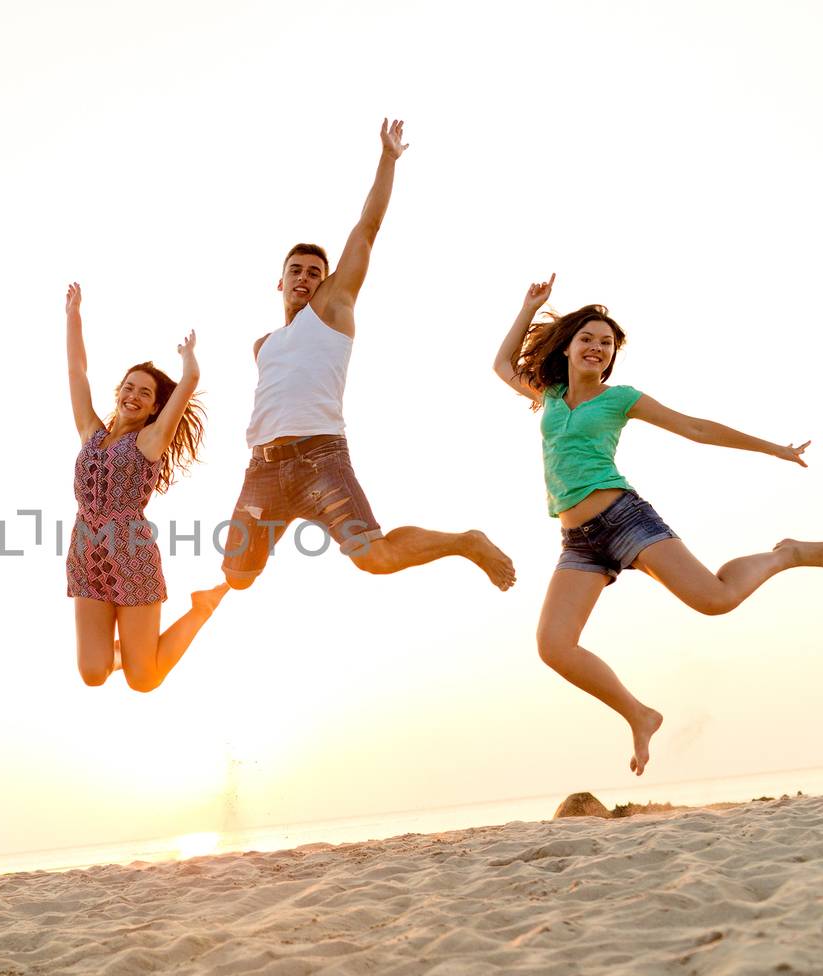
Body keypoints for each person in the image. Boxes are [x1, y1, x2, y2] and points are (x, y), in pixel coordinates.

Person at [492, 274, 823, 775]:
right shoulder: (549, 396)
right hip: (578, 541)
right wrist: (529, 307)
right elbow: (502, 365)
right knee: (553, 647)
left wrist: (776, 448)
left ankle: (785, 553)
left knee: (715, 600)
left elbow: (697, 429)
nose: (597, 347)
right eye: (588, 339)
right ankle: (639, 715)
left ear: (612, 356)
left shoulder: (622, 399)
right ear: (569, 347)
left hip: (624, 519)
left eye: (607, 343)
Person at [223, 118, 516, 592]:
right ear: (280, 281)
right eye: (294, 271)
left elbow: (368, 227)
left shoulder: (333, 309)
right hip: (264, 470)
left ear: (326, 282)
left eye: (314, 273)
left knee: (374, 559)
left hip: (321, 459)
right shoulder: (263, 346)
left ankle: (466, 541)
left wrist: (387, 158)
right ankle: (281, 520)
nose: (303, 278)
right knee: (237, 578)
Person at [64, 282, 227, 691]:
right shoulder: (91, 433)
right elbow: (77, 372)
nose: (134, 395)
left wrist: (189, 365)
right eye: (129, 387)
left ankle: (201, 609)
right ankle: (130, 645)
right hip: (86, 549)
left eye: (145, 393)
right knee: (92, 673)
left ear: (155, 406)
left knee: (143, 679)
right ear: (118, 393)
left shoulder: (150, 442)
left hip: (131, 555)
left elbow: (187, 386)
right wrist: (73, 317)